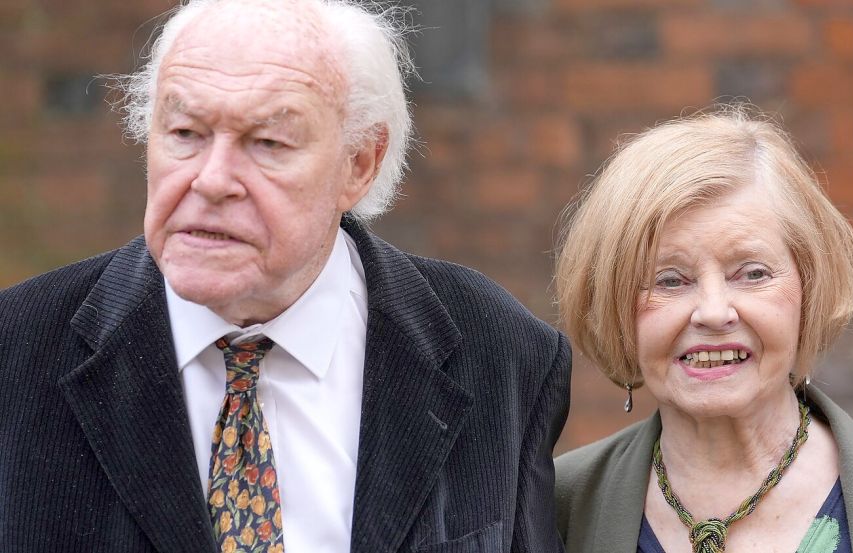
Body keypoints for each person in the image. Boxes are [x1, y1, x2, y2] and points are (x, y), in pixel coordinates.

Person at [0, 1, 571, 551]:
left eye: (268, 142)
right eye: (185, 134)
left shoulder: (501, 354)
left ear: (360, 164)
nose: (212, 180)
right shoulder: (18, 348)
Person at [553, 107, 853, 553]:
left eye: (752, 273)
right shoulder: (554, 510)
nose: (714, 312)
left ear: (808, 288)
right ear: (612, 306)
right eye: (670, 280)